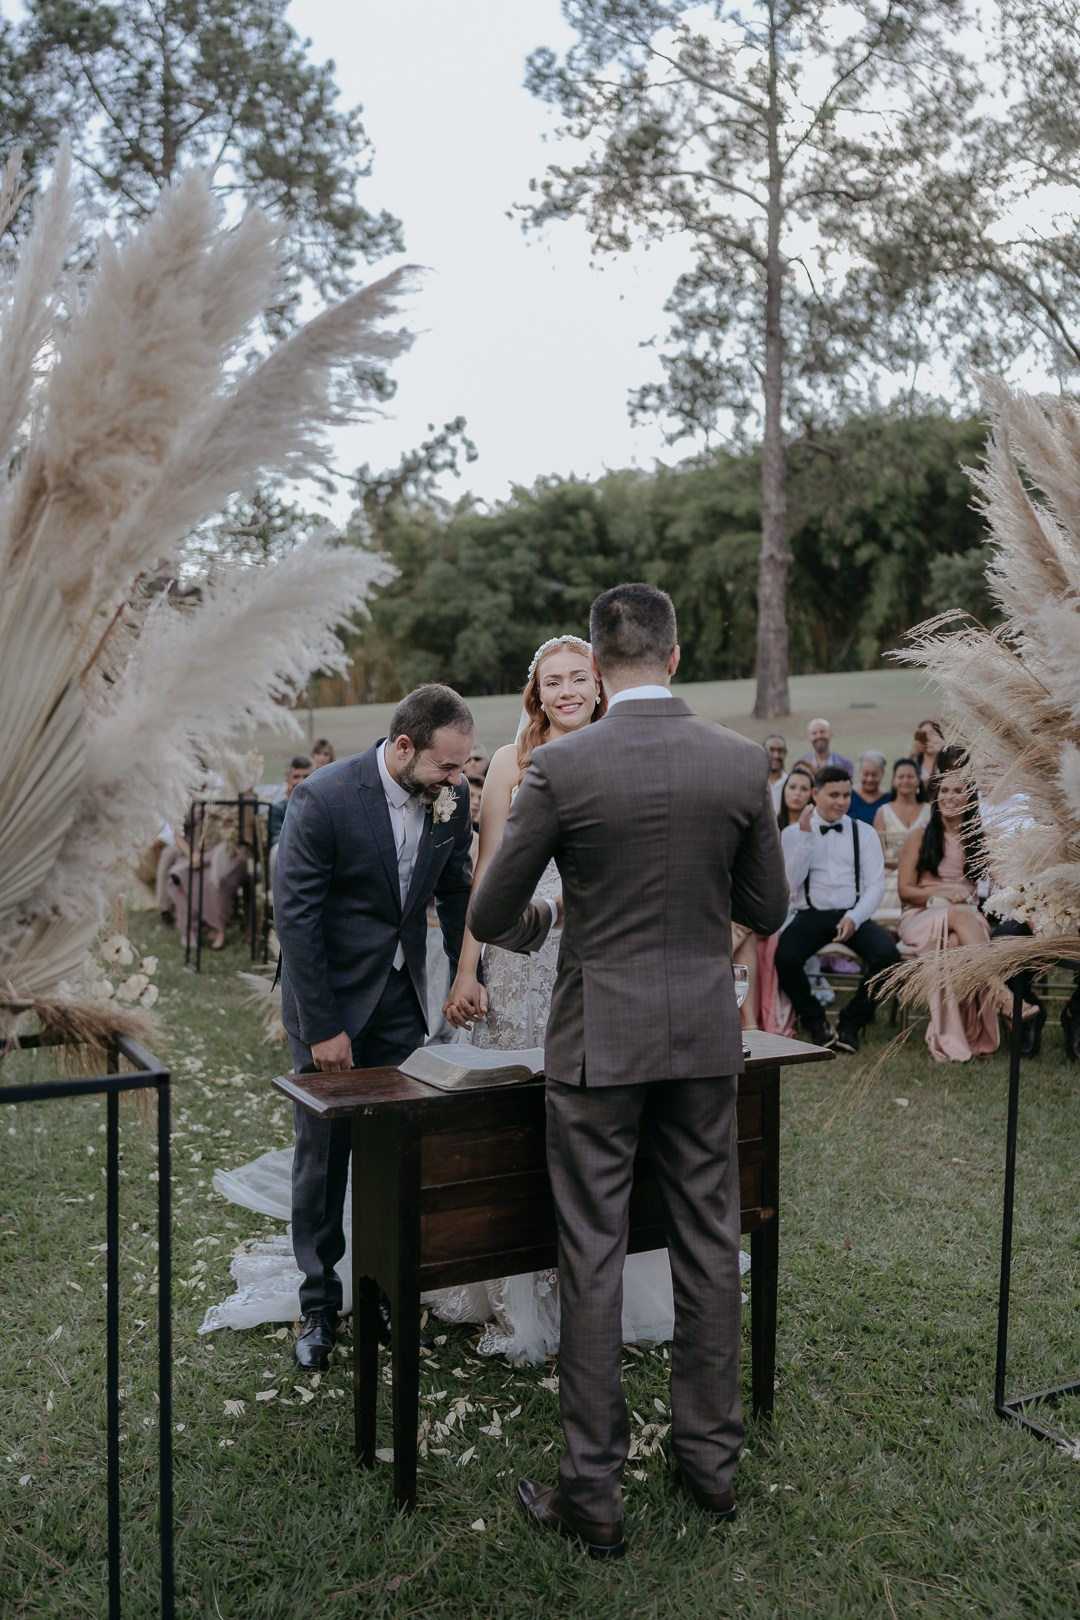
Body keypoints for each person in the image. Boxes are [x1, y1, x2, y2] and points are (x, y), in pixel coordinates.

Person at [468, 583, 789, 1557]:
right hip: (701, 1042)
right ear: (676, 656)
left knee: (592, 1255)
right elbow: (767, 908)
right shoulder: (738, 761)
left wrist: (550, 919)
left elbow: (491, 915)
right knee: (709, 1244)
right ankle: (710, 1465)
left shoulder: (563, 766)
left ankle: (593, 1496)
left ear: (599, 669)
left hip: (596, 1045)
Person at [437, 636, 678, 1361]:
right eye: (553, 682)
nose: (567, 691)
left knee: (600, 1118)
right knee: (517, 1118)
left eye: (579, 678)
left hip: (600, 955)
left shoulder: (626, 750)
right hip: (518, 961)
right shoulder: (511, 763)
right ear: (535, 693)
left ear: (601, 684)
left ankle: (599, 1285)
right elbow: (488, 875)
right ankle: (515, 1291)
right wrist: (467, 971)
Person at [273, 684, 475, 1372]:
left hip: (399, 997)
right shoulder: (324, 796)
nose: (458, 780)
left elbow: (455, 889)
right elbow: (296, 918)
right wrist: (324, 1027)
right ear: (403, 747)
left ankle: (384, 1292)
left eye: (464, 766)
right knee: (324, 1155)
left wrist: (469, 972)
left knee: (396, 1151)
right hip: (327, 1000)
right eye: (447, 766)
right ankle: (319, 1304)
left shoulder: (452, 797)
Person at [897, 756, 1021, 1061]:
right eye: (944, 791)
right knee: (961, 915)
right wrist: (941, 892)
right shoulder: (919, 836)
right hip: (922, 915)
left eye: (957, 791)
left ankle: (961, 1036)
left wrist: (1026, 894)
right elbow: (905, 890)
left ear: (970, 798)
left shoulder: (979, 839)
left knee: (956, 942)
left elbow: (1002, 881)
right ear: (936, 797)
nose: (950, 797)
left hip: (967, 920)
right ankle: (1001, 994)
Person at [776, 765, 900, 1053]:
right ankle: (815, 1021)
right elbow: (790, 885)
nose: (842, 802)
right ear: (816, 794)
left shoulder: (864, 833)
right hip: (810, 914)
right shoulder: (791, 834)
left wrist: (855, 917)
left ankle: (851, 1022)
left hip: (852, 914)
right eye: (834, 795)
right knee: (785, 957)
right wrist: (805, 838)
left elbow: (875, 886)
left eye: (846, 795)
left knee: (888, 957)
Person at [873, 758, 930, 915]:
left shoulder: (930, 811)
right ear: (894, 781)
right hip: (891, 875)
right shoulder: (883, 812)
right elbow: (877, 854)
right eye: (900, 776)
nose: (905, 780)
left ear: (918, 780)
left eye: (910, 776)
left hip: (923, 873)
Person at [849, 751, 889, 824]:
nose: (870, 779)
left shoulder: (889, 798)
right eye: (866, 774)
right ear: (859, 773)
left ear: (882, 774)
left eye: (874, 774)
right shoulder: (848, 795)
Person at [912, 719, 945, 786]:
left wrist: (944, 746)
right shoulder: (914, 763)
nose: (927, 738)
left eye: (931, 733)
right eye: (923, 734)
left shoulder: (948, 759)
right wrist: (910, 756)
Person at [763, 734, 788, 812]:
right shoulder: (756, 782)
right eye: (771, 750)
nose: (776, 755)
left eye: (780, 750)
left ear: (785, 753)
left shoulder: (790, 783)